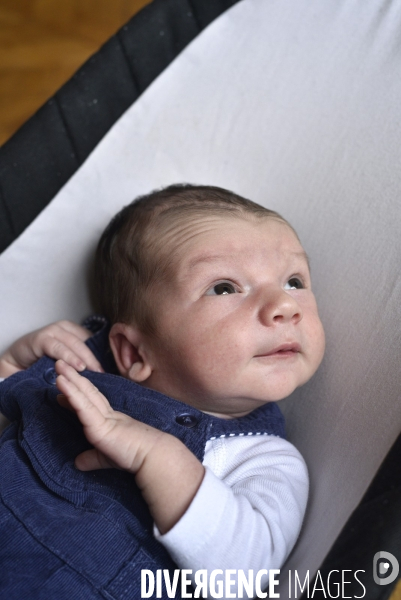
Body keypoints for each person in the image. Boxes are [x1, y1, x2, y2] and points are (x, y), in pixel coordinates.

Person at [0, 184, 325, 599]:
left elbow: (244, 574)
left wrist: (161, 459)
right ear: (135, 351)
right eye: (224, 287)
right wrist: (12, 365)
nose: (285, 304)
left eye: (295, 281)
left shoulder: (262, 460)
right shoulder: (83, 368)